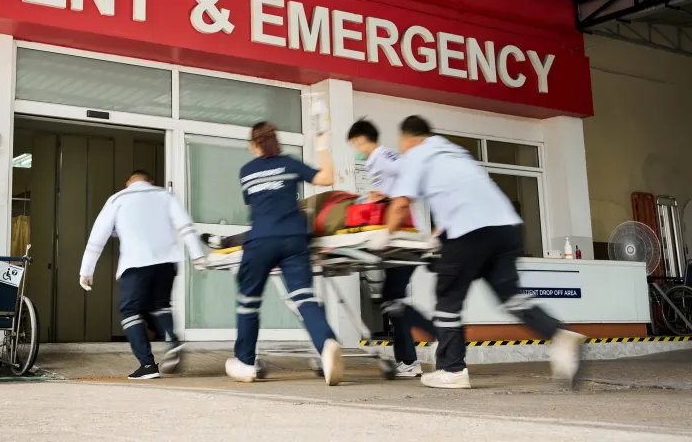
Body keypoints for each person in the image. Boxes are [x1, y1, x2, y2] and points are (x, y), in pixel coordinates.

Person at [380, 115, 585, 389]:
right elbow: (465, 196)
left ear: (407, 139)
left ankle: (452, 370)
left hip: (470, 231)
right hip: (506, 227)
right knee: (510, 296)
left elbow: (401, 203)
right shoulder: (456, 152)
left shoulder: (417, 155)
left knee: (448, 298)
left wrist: (384, 236)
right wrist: (438, 235)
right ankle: (558, 335)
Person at [226, 121, 346, 386]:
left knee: (248, 302)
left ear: (253, 145)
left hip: (260, 241)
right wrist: (322, 147)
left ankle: (245, 363)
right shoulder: (290, 163)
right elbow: (326, 178)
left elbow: (255, 204)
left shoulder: (246, 171)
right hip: (294, 239)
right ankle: (326, 344)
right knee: (304, 297)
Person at [79, 169, 207, 380]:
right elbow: (185, 226)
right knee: (160, 304)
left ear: (128, 183)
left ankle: (147, 365)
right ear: (151, 182)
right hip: (167, 262)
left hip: (135, 263)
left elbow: (98, 235)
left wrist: (86, 270)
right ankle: (171, 339)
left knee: (130, 311)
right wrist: (198, 256)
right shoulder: (165, 195)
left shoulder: (118, 198)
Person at [347, 117, 438, 378]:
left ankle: (424, 347)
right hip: (400, 239)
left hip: (405, 238)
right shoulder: (378, 158)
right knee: (392, 299)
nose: (357, 148)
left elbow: (412, 179)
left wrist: (389, 197)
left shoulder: (382, 156)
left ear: (360, 140)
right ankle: (409, 360)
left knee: (392, 299)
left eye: (355, 143)